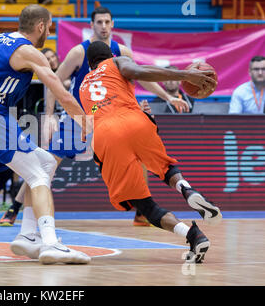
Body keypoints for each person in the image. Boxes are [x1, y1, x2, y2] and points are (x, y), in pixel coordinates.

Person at [0, 6, 183, 227]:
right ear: (92, 26)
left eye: (107, 22)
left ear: (112, 24)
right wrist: (49, 115)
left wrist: (168, 97)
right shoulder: (79, 52)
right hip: (81, 118)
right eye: (99, 22)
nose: (103, 26)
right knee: (47, 162)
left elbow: (143, 79)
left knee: (140, 156)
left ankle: (142, 212)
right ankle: (15, 208)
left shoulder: (122, 52)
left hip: (114, 117)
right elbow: (53, 82)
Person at [0, 4, 91, 264]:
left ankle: (28, 236)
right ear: (40, 26)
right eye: (49, 28)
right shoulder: (29, 52)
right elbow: (61, 93)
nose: (48, 34)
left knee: (46, 162)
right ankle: (50, 242)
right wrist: (84, 122)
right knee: (38, 174)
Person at [79, 41, 222, 262]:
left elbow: (94, 116)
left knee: (143, 204)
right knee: (165, 169)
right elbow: (139, 71)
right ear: (111, 55)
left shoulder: (83, 86)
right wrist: (185, 75)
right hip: (135, 121)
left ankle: (193, 235)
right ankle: (188, 192)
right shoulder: (116, 61)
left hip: (105, 134)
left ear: (89, 65)